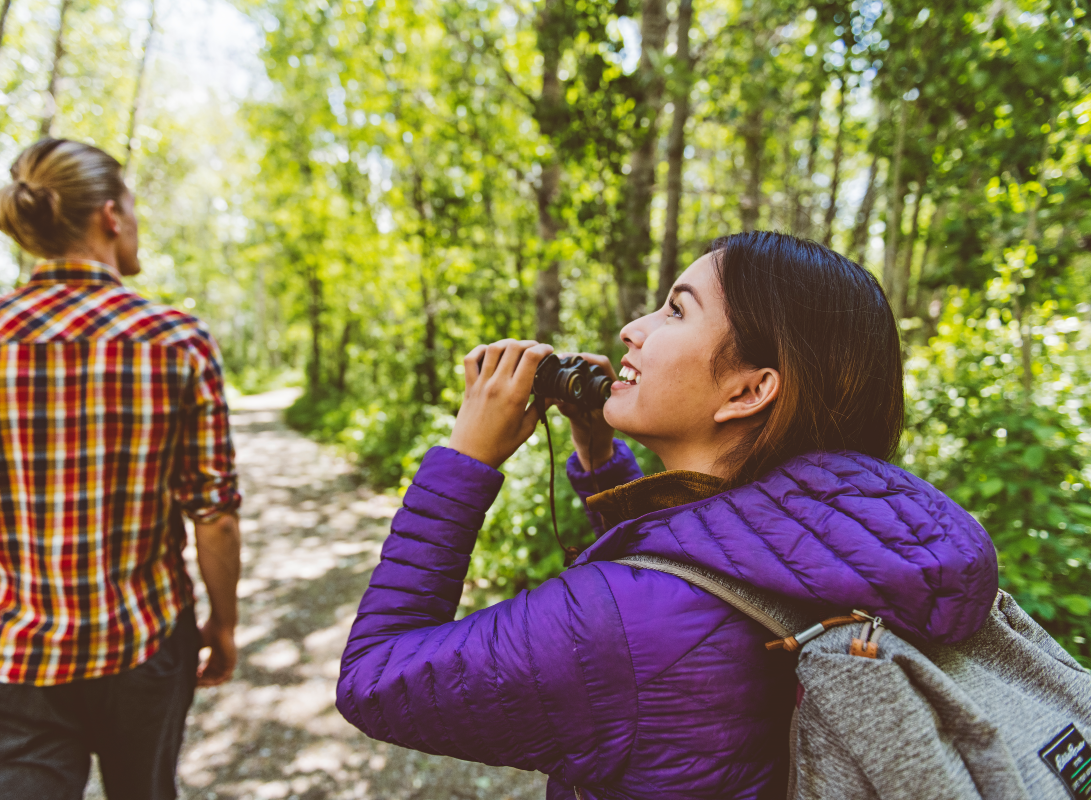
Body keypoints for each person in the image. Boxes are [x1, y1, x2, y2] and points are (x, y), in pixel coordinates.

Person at [336, 232, 1001, 799]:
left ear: (750, 390)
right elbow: (703, 570)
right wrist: (598, 453)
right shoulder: (851, 538)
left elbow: (373, 678)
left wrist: (466, 458)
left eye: (676, 312)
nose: (633, 328)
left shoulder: (615, 625)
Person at [0, 138, 242, 800]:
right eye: (135, 207)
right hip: (145, 647)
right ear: (111, 216)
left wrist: (21, 593)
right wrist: (223, 624)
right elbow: (215, 519)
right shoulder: (176, 340)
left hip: (14, 662)